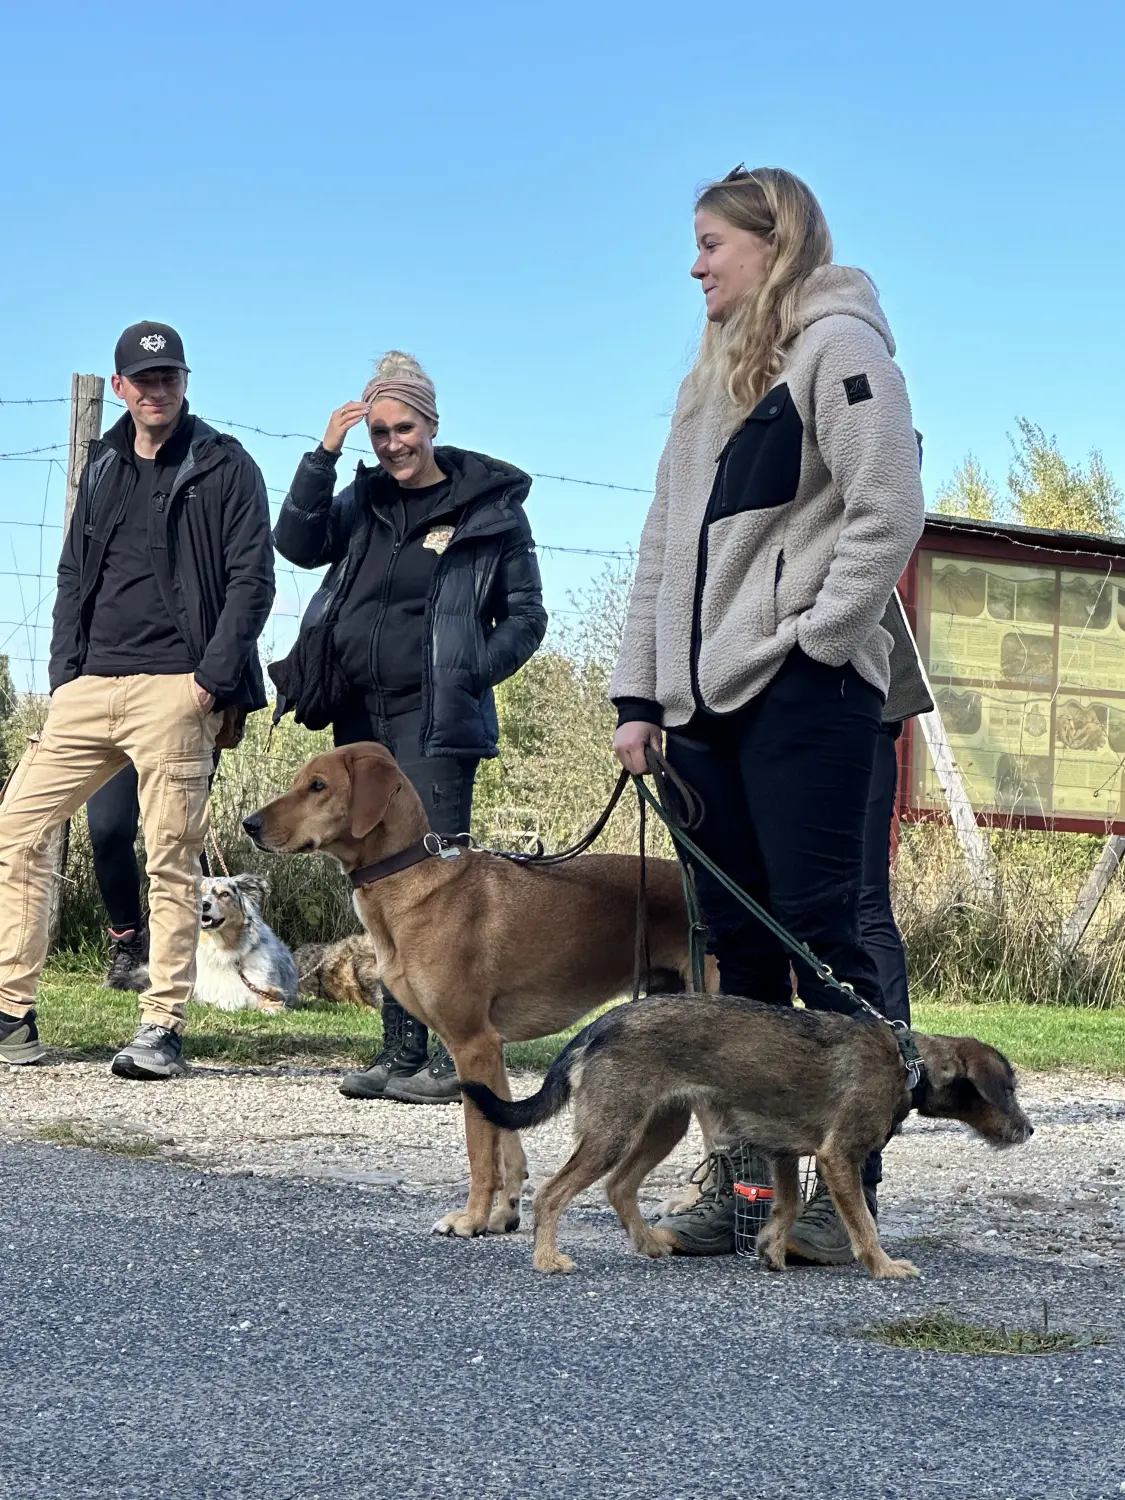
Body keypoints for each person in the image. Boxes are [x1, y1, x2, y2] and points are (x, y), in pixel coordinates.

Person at [610, 167, 925, 1256]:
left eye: (710, 243)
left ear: (772, 240)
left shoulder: (843, 352)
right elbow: (661, 550)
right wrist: (638, 695)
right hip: (697, 713)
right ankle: (744, 1193)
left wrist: (815, 644)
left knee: (820, 932)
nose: (694, 265)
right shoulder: (705, 384)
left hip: (805, 697)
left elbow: (890, 510)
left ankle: (853, 1198)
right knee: (734, 952)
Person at [270, 351, 547, 1104]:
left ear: (432, 425)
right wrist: (322, 457)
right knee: (376, 884)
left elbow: (526, 617)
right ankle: (397, 1053)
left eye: (405, 428)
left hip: (435, 721)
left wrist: (464, 671)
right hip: (360, 717)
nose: (392, 444)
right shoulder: (362, 501)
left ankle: (440, 1056)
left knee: (436, 886)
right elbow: (295, 544)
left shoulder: (489, 510)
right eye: (380, 432)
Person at [0, 321, 274, 1080]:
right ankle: (12, 1014)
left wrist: (209, 681)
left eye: (170, 377)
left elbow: (253, 580)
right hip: (90, 687)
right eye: (143, 380)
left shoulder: (224, 465)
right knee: (15, 828)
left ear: (185, 382)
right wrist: (65, 676)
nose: (158, 391)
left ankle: (160, 1027)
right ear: (119, 386)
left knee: (170, 857)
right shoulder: (105, 463)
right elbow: (71, 572)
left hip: (175, 686)